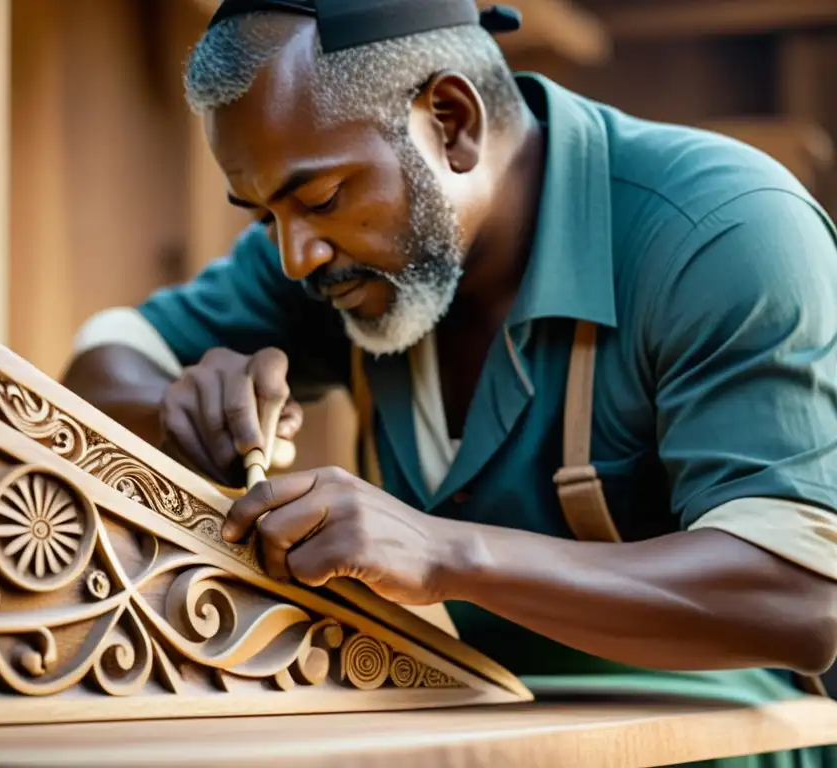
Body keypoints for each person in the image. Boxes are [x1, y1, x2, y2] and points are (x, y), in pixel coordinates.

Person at [62, 1, 837, 764]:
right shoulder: (331, 255)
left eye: (323, 198)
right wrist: (176, 411)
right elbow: (104, 362)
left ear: (451, 121)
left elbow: (798, 599)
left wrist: (446, 554)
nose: (295, 256)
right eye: (264, 216)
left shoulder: (722, 229)